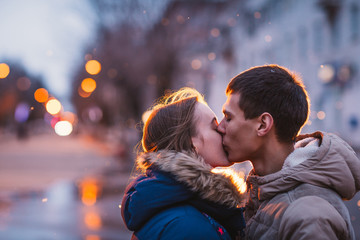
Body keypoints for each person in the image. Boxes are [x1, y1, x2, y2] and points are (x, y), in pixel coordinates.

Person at [217, 64, 360, 240]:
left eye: (229, 118)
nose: (220, 127)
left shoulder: (308, 216)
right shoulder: (267, 193)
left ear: (263, 125)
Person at [121, 88, 246, 240]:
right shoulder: (188, 227)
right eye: (214, 126)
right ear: (192, 143)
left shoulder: (174, 200)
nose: (222, 129)